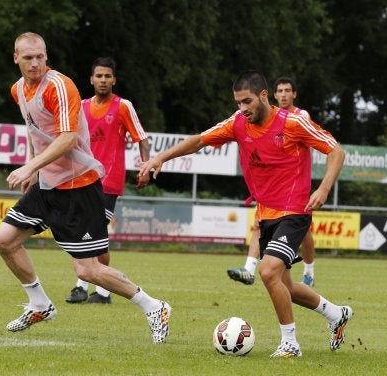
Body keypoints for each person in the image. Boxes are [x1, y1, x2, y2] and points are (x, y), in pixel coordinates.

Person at [140, 70, 352, 357]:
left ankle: (290, 343)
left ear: (264, 96)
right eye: (238, 102)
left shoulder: (293, 122)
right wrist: (160, 157)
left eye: (247, 101)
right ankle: (336, 313)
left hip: (294, 211)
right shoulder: (238, 123)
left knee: (267, 272)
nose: (242, 108)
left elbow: (336, 151)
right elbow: (200, 140)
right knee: (285, 284)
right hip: (267, 213)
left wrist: (324, 189)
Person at [0, 32, 170, 343]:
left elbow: (67, 138)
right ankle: (40, 304)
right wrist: (34, 169)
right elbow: (35, 132)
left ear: (47, 57)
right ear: (15, 58)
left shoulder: (59, 86)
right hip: (47, 185)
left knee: (88, 271)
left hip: (78, 186)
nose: (35, 63)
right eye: (28, 57)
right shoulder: (18, 90)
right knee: (3, 240)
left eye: (40, 57)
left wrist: (30, 167)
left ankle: (154, 307)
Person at [65, 57, 150, 304]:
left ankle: (91, 289)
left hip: (109, 181)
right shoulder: (80, 106)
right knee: (83, 233)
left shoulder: (123, 106)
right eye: (98, 76)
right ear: (91, 79)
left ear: (114, 80)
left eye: (107, 76)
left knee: (94, 233)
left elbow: (141, 139)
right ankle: (96, 291)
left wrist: (145, 166)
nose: (103, 80)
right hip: (81, 179)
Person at [227, 76, 317, 287]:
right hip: (272, 188)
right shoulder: (264, 117)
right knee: (258, 224)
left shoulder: (299, 116)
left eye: (288, 90)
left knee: (305, 234)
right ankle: (249, 269)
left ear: (294, 94)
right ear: (273, 95)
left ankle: (309, 272)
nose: (284, 94)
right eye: (280, 91)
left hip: (295, 186)